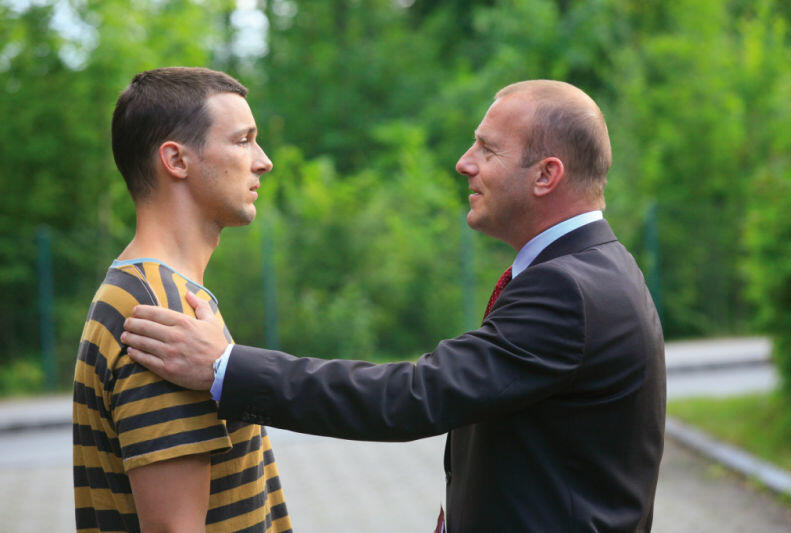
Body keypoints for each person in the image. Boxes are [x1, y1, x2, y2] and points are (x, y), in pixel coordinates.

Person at [122, 80, 666, 532]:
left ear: (546, 175)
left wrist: (224, 368)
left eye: (487, 149)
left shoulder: (569, 289)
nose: (464, 163)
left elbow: (415, 397)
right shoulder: (589, 270)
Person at [72, 67, 292, 533]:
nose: (264, 161)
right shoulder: (161, 311)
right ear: (175, 160)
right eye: (243, 141)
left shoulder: (151, 291)